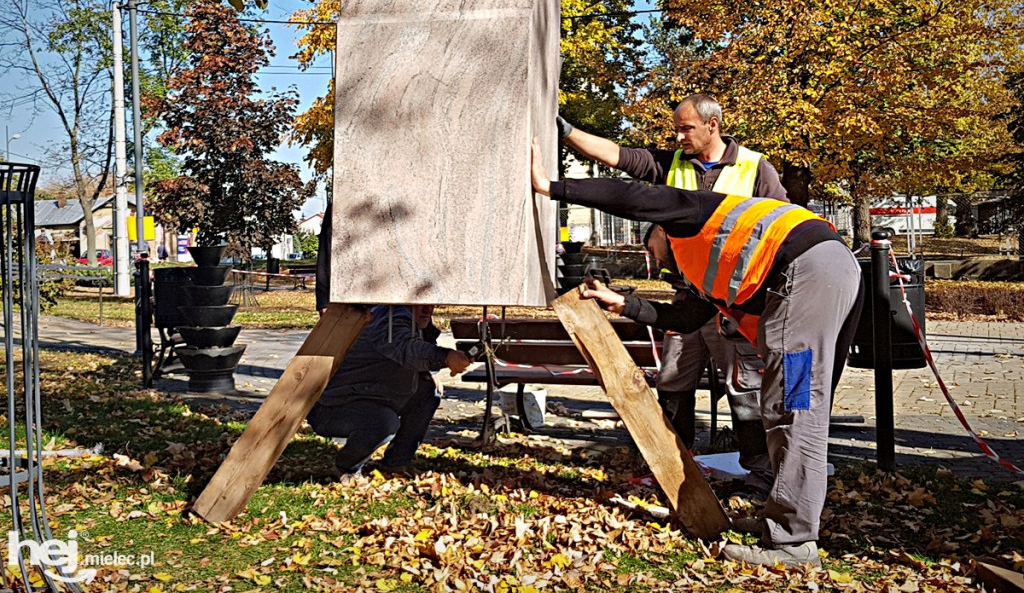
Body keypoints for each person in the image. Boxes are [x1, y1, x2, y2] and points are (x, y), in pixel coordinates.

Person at [531, 140, 863, 567]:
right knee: (799, 406)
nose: (651, 258)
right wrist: (625, 304)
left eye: (650, 247)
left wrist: (553, 188)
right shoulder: (708, 256)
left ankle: (794, 542)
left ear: (661, 230)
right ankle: (783, 520)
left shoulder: (691, 216)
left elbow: (635, 195)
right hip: (829, 268)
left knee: (793, 407)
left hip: (803, 272)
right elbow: (688, 318)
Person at [560, 94, 786, 496]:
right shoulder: (672, 164)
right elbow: (619, 156)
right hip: (688, 299)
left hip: (735, 304)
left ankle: (761, 475)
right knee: (673, 381)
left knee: (746, 392)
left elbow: (780, 226)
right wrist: (569, 132)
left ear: (712, 126)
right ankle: (674, 464)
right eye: (676, 128)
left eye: (687, 128)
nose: (678, 135)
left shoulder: (755, 168)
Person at [310, 200, 472, 476]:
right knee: (383, 424)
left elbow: (415, 351)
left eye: (431, 303)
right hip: (336, 404)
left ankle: (396, 461)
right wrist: (445, 357)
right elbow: (402, 347)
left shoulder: (409, 314)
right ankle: (347, 467)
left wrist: (428, 371)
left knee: (427, 392)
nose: (427, 308)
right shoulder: (389, 315)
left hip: (372, 394)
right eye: (421, 301)